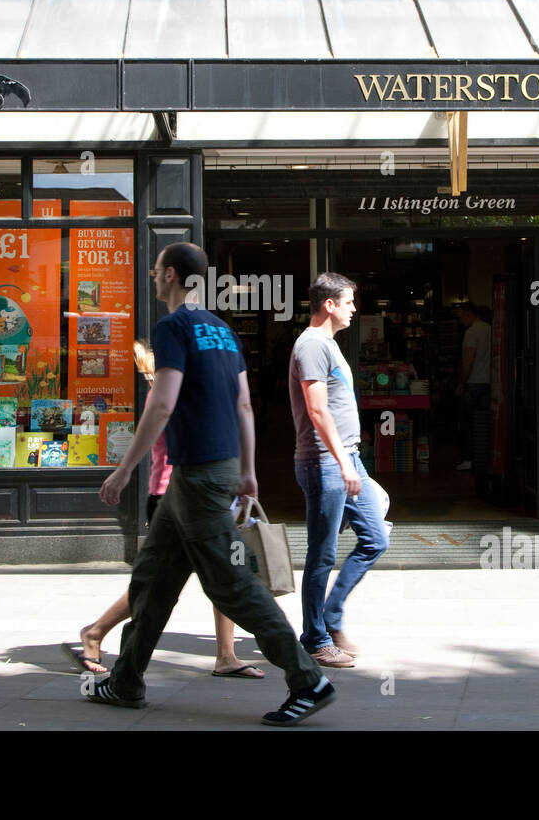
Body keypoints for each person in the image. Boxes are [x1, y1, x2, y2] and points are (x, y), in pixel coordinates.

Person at [88, 242, 334, 726]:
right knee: (153, 578)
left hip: (199, 475)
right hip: (206, 471)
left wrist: (124, 469)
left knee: (232, 584)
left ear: (173, 276)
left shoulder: (172, 327)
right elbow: (244, 404)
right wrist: (248, 470)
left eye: (157, 270)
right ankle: (125, 682)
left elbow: (162, 403)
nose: (153, 277)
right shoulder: (221, 330)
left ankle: (308, 680)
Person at [71, 339, 264, 680]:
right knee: (164, 581)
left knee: (223, 574)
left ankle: (226, 654)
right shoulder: (167, 397)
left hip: (202, 498)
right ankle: (97, 633)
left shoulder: (185, 392)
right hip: (173, 499)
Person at [289, 272, 389, 667]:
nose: (353, 309)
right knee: (322, 553)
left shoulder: (326, 344)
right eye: (348, 302)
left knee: (375, 538)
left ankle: (330, 618)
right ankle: (315, 638)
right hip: (325, 462)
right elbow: (316, 409)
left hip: (346, 458)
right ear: (328, 305)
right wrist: (343, 461)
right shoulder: (312, 345)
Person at [456, 301, 492, 472]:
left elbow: (468, 361)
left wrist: (461, 383)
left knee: (466, 422)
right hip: (489, 382)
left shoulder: (471, 332)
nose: (460, 321)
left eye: (461, 317)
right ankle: (484, 457)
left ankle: (468, 458)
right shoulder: (490, 329)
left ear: (467, 313)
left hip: (474, 383)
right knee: (483, 423)